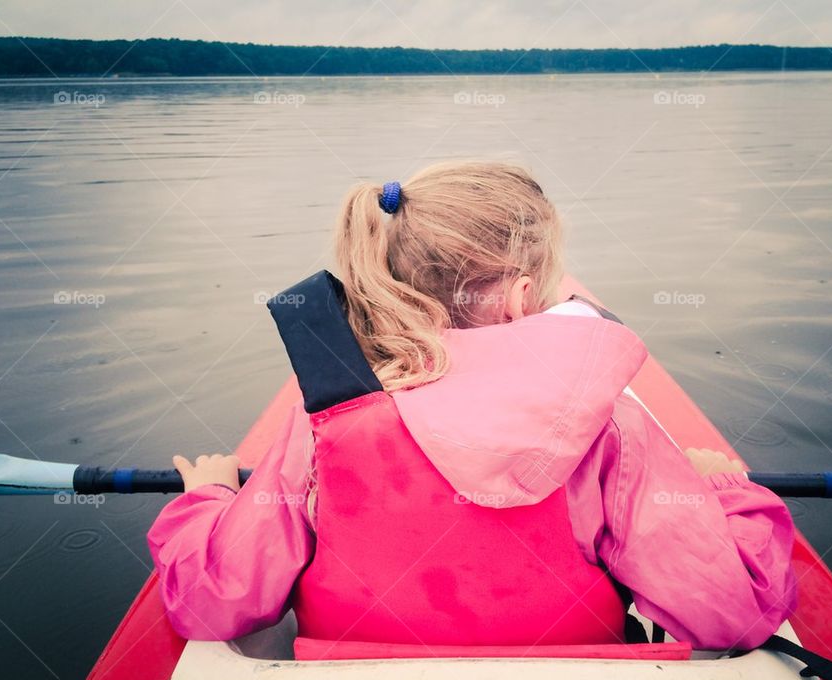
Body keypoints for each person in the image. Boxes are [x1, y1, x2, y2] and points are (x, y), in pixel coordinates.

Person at [148, 161, 796, 651]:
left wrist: (206, 497)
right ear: (519, 300)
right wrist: (726, 492)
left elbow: (212, 603)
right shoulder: (609, 424)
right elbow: (731, 614)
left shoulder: (324, 423)